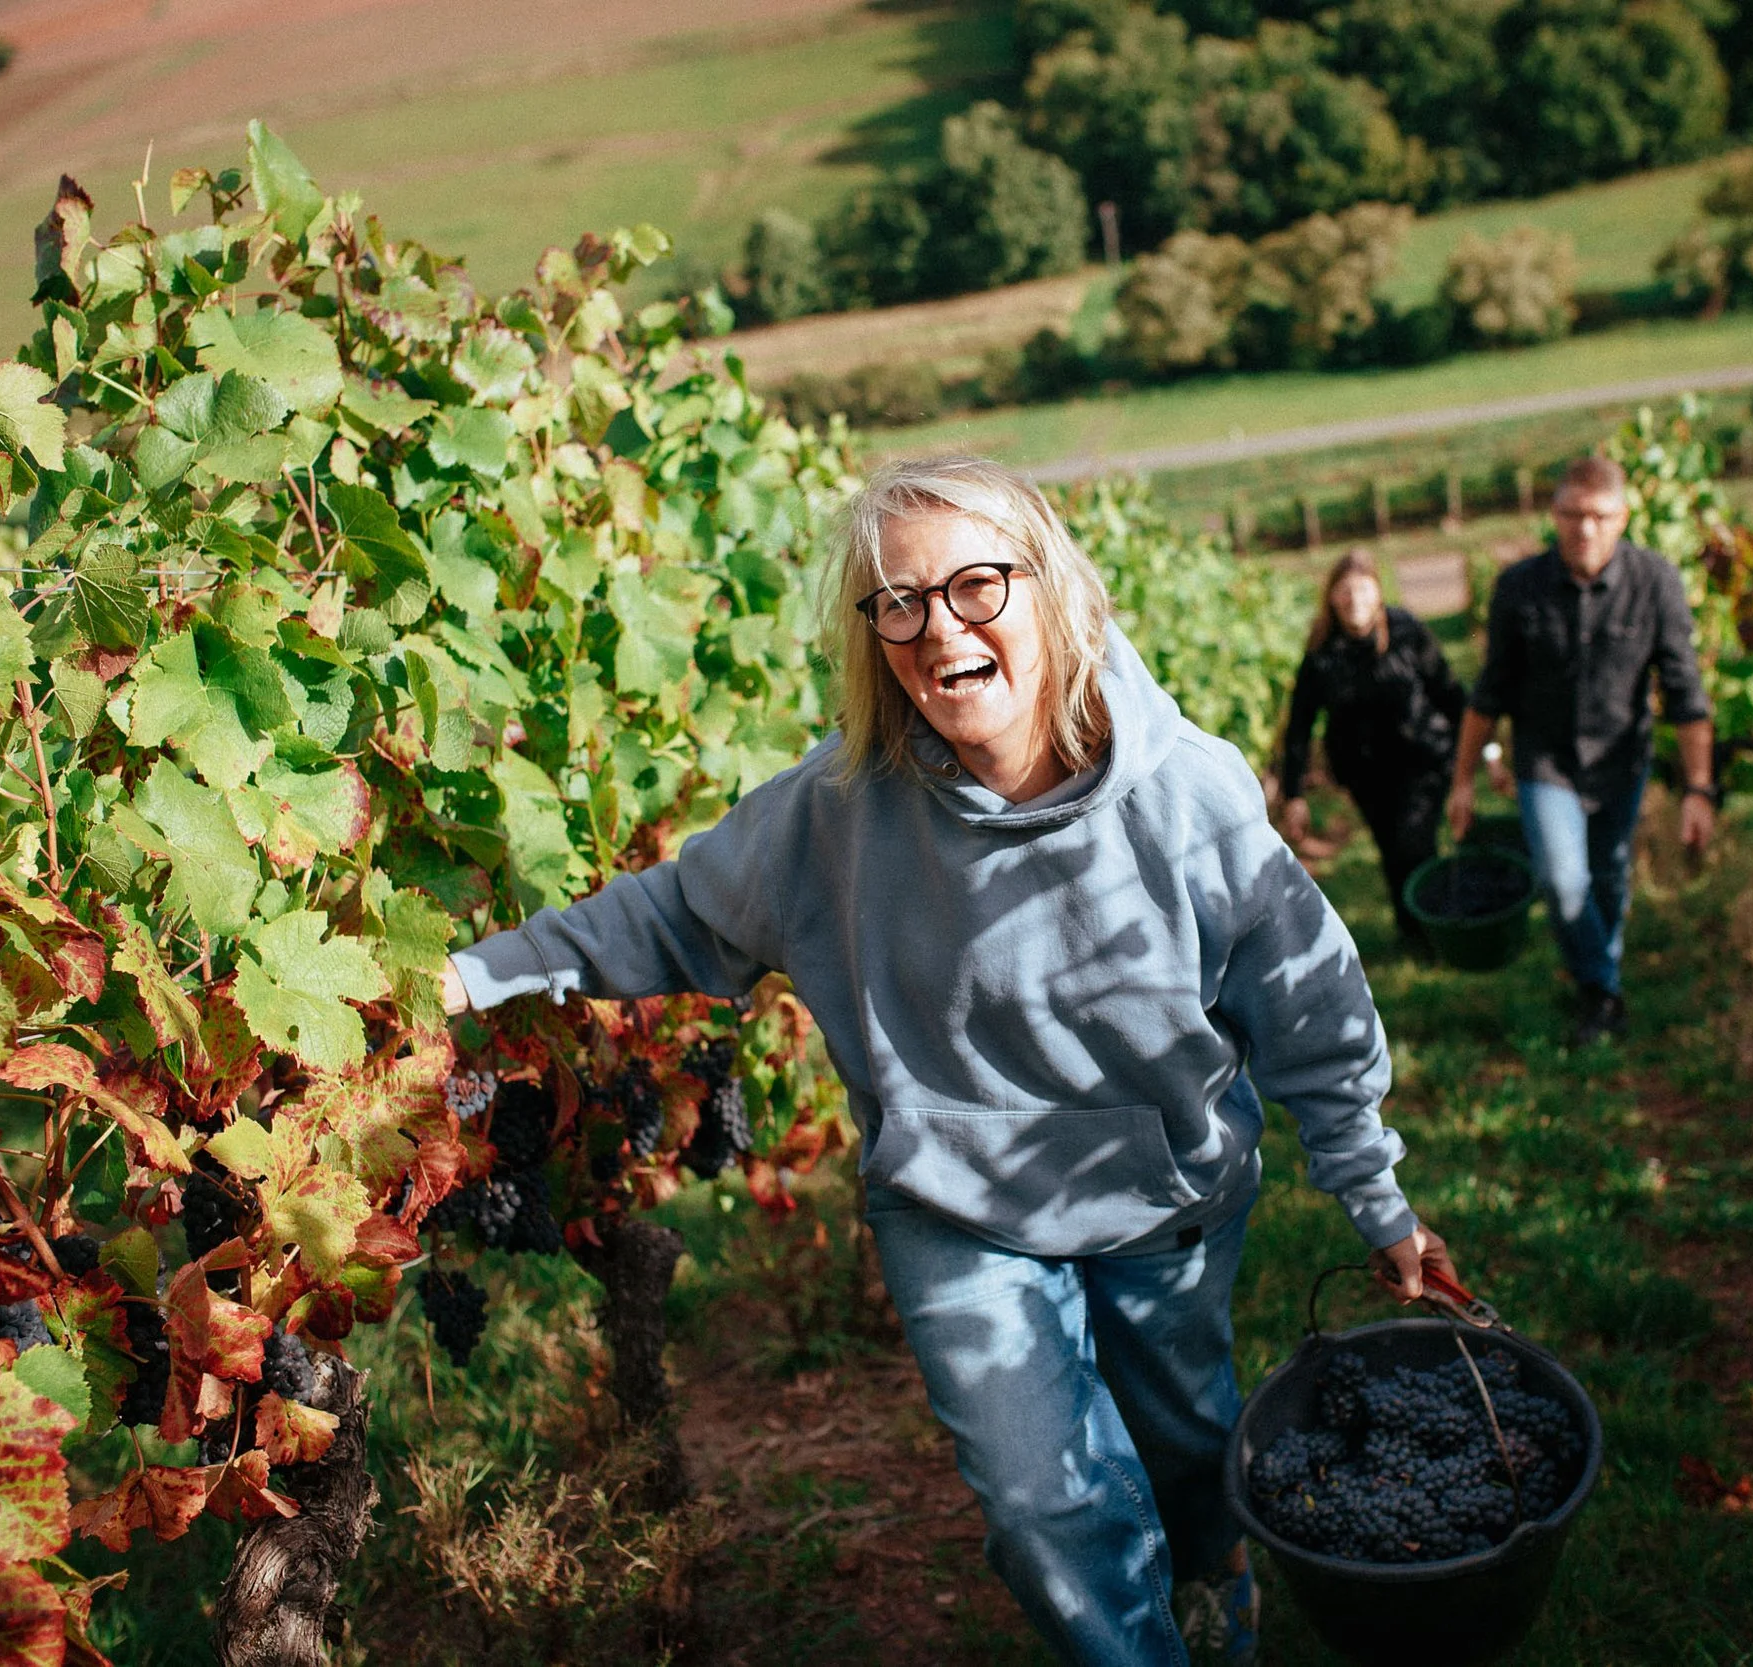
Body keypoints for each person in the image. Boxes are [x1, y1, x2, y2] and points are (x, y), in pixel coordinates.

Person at [438, 457, 1458, 1666]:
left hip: (1161, 1192)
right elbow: (666, 916)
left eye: (978, 586)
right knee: (1044, 1508)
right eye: (900, 602)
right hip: (952, 1201)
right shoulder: (836, 807)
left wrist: (1374, 1195)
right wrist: (465, 978)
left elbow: (1310, 1004)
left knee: (1186, 1443)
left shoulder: (1189, 795)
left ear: (1054, 593)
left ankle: (1208, 1559)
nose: (939, 629)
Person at [1448, 454, 1715, 1047]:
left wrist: (1698, 788)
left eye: (1597, 516)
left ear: (1622, 517)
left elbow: (1686, 694)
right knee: (1564, 881)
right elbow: (1489, 695)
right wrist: (1464, 780)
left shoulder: (1656, 583)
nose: (1583, 529)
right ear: (1554, 515)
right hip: (1545, 763)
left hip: (1622, 760)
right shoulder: (1519, 589)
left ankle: (1596, 975)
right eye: (1571, 514)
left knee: (1609, 877)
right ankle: (1602, 992)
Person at [1277, 548, 1468, 942]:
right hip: (1365, 773)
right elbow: (1300, 725)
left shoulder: (1406, 632)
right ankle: (1417, 933)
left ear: (1378, 592)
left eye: (1363, 589)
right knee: (1392, 849)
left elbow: (1449, 692)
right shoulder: (1322, 653)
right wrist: (1293, 794)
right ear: (1331, 597)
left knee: (1413, 845)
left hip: (1423, 761)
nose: (1354, 600)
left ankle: (1432, 931)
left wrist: (1480, 754)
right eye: (1344, 591)